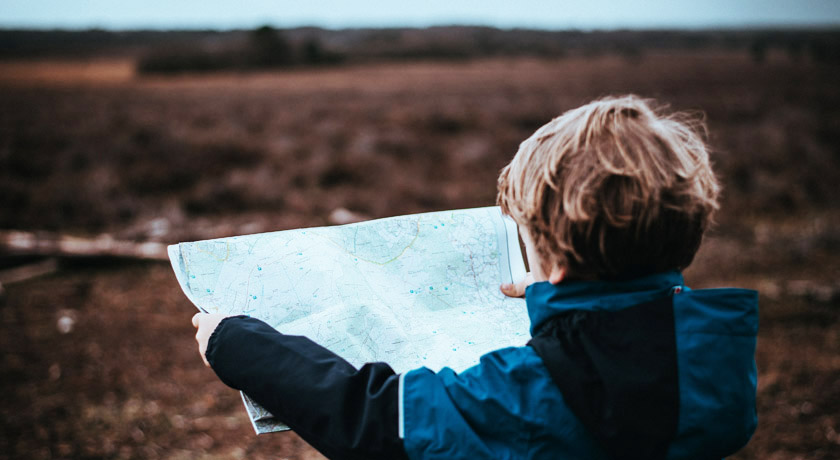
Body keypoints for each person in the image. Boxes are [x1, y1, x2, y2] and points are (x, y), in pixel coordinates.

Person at [191, 95, 758, 460]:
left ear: (556, 260)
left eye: (528, 240)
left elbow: (376, 421)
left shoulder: (528, 394)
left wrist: (236, 343)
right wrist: (553, 294)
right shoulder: (716, 365)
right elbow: (625, 332)